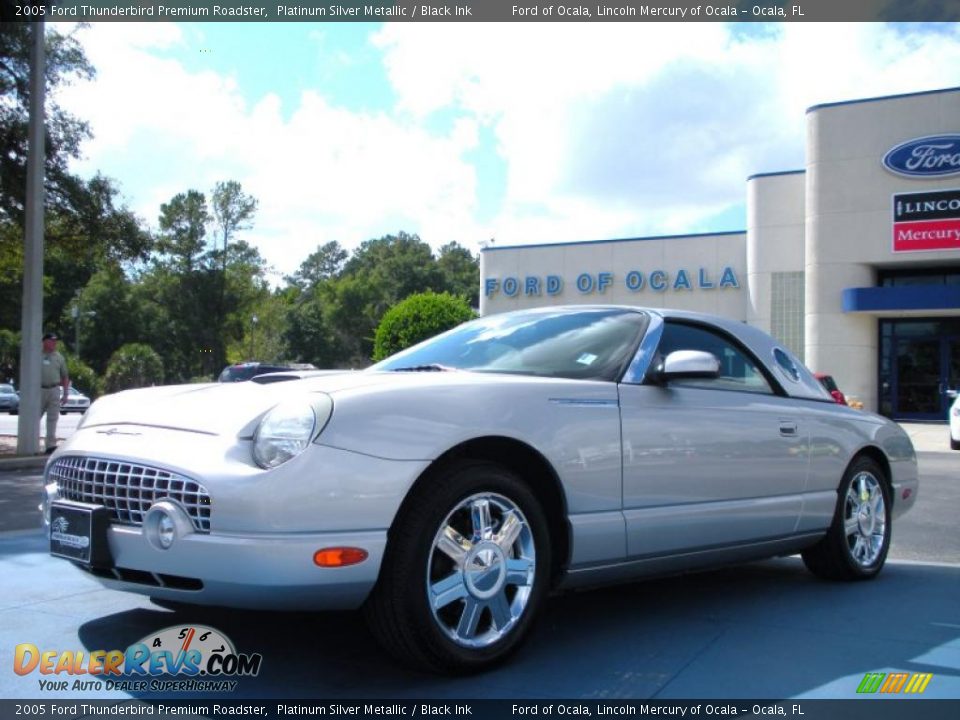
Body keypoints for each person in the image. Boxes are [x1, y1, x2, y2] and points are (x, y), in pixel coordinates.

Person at [40, 332, 70, 454]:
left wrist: (66, 394)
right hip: (39, 390)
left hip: (54, 390)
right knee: (35, 417)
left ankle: (50, 445)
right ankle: (31, 444)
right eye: (51, 340)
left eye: (55, 341)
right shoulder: (37, 354)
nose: (54, 343)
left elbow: (65, 376)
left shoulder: (59, 357)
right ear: (44, 342)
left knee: (53, 418)